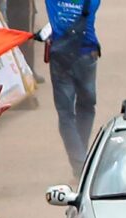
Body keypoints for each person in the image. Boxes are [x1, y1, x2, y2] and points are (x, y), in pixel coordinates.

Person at [45, 0, 102, 176]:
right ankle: (82, 161)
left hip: (60, 56)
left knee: (65, 114)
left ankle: (80, 164)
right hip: (87, 53)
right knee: (87, 107)